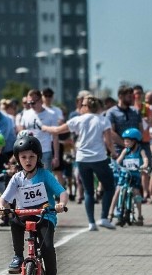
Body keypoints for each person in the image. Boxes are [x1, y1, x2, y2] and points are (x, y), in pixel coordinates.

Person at [0, 134, 68, 275]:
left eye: (32, 157)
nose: (28, 161)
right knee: (14, 221)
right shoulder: (17, 178)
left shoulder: (45, 175)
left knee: (48, 247)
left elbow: (62, 192)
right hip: (24, 214)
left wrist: (60, 203)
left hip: (45, 215)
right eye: (23, 157)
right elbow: (4, 198)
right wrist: (0, 206)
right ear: (18, 159)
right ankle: (17, 256)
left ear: (38, 157)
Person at [40, 95, 116, 230]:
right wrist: (114, 153)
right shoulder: (103, 120)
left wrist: (44, 127)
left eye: (82, 105)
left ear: (87, 107)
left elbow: (58, 130)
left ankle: (91, 222)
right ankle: (104, 217)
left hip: (82, 159)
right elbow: (109, 141)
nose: (80, 107)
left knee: (88, 191)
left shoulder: (78, 120)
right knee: (109, 187)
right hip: (99, 158)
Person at [110, 128, 148, 226]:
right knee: (117, 190)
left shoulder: (140, 150)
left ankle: (139, 215)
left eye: (127, 141)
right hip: (124, 174)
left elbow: (145, 159)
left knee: (136, 192)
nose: (125, 143)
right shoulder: (125, 151)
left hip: (135, 175)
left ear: (134, 141)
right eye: (124, 141)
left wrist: (144, 165)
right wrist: (116, 164)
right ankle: (110, 213)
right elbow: (119, 160)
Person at [18, 89, 59, 169]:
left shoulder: (51, 114)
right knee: (30, 179)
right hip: (29, 152)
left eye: (33, 102)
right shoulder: (26, 114)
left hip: (45, 151)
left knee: (45, 178)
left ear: (40, 100)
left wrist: (56, 157)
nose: (30, 105)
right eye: (28, 103)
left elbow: (55, 137)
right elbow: (21, 134)